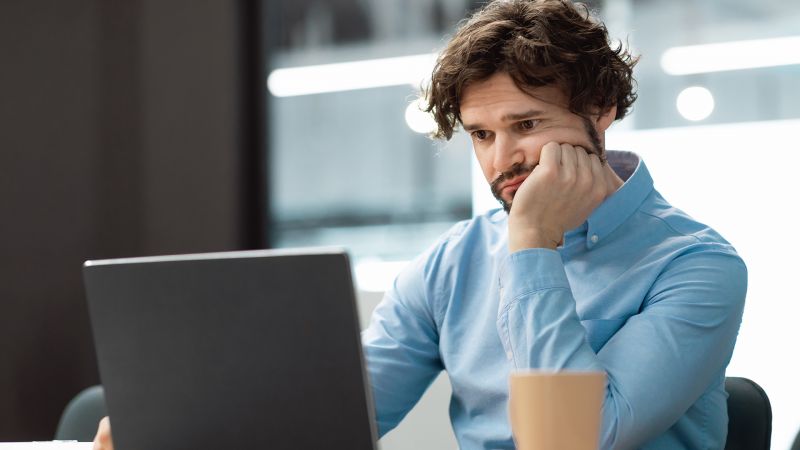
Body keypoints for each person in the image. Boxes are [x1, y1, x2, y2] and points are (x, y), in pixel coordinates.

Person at [93, 0, 746, 449]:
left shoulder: (696, 265)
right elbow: (340, 410)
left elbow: (574, 441)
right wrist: (180, 430)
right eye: (482, 134)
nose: (501, 159)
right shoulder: (452, 262)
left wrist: (531, 248)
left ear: (600, 112)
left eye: (526, 125)